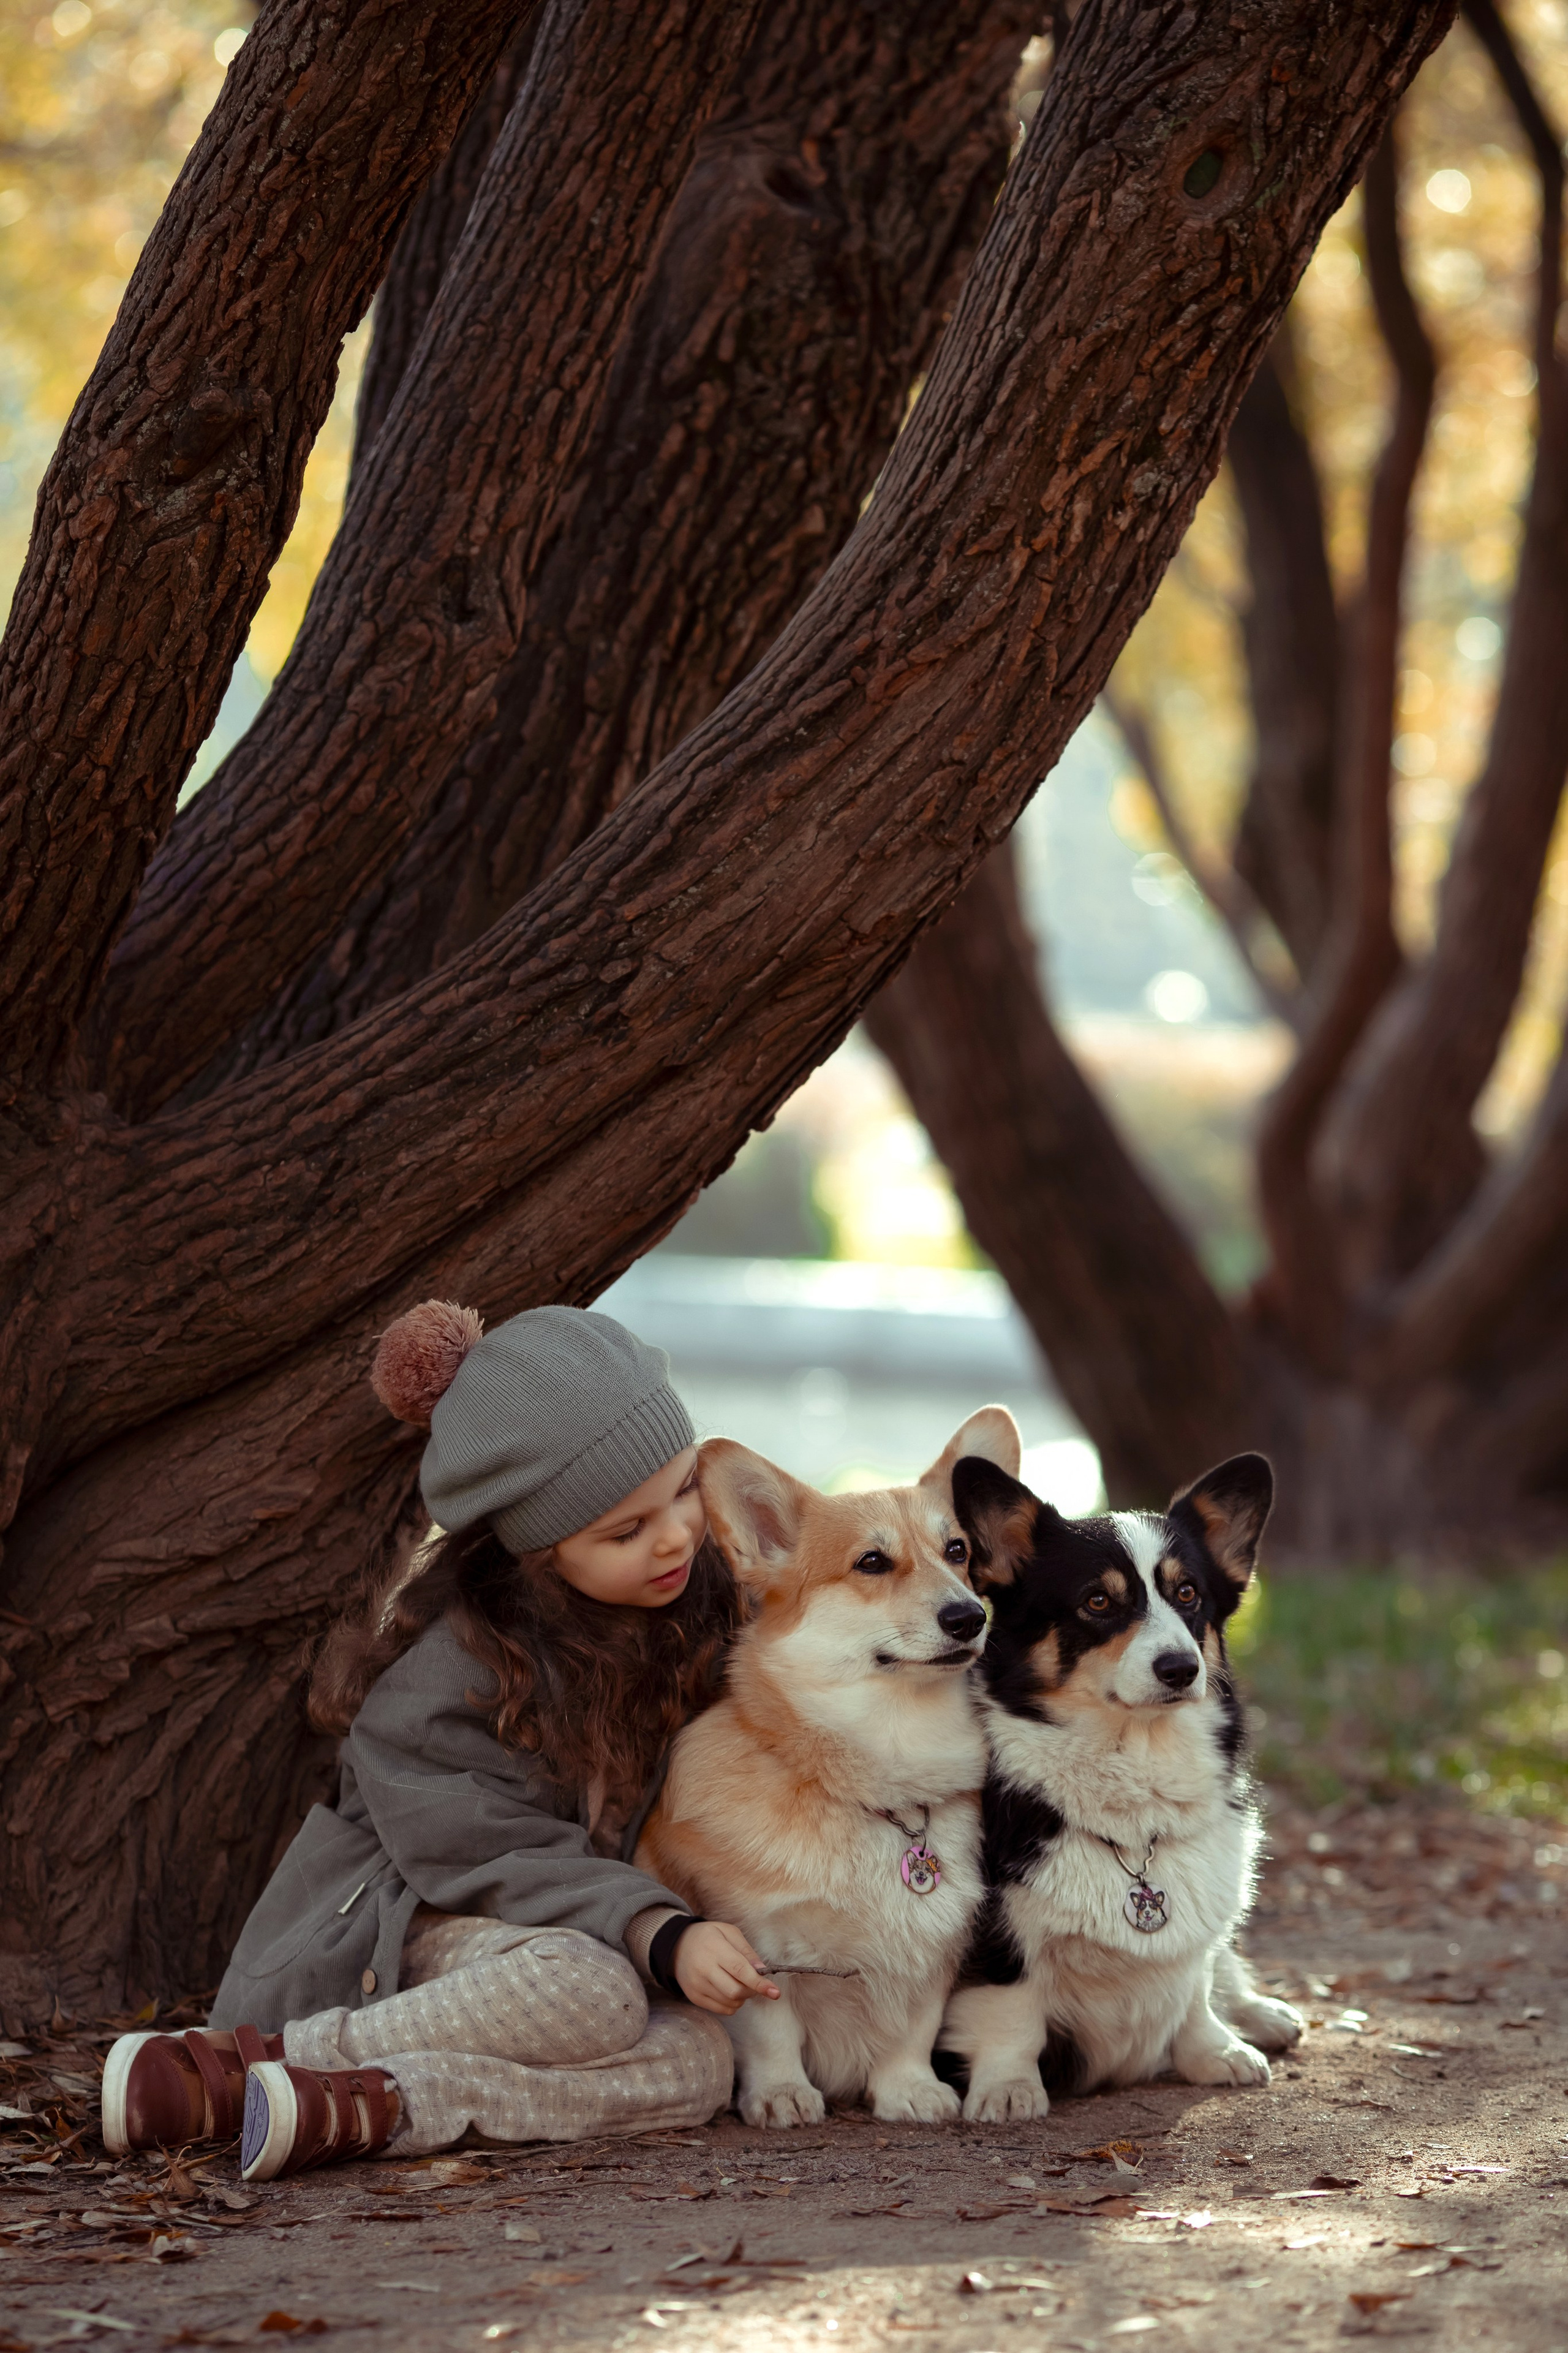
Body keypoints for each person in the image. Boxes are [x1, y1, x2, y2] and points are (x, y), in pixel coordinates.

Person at [100, 1301, 780, 2180]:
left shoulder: (694, 1597)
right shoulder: (442, 1682)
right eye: (626, 1529)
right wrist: (659, 1930)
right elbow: (494, 1859)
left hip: (564, 1944)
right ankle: (248, 2063)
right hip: (401, 1942)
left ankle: (372, 2108)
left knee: (703, 2061)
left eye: (685, 1486)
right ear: (540, 1550)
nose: (679, 1533)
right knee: (597, 1992)